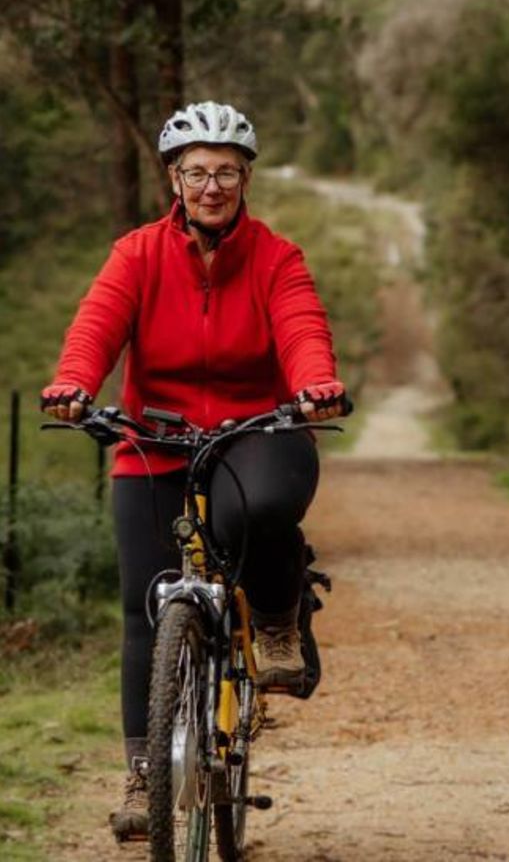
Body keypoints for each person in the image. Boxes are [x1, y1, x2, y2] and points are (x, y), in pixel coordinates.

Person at [40, 101, 348, 841]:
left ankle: (276, 615)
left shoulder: (277, 257)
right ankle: (146, 775)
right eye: (197, 173)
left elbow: (302, 324)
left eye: (227, 173)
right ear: (174, 179)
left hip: (257, 427)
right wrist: (74, 383)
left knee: (260, 509)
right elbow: (98, 322)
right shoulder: (137, 254)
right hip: (154, 435)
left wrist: (315, 384)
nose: (212, 186)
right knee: (144, 608)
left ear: (245, 179)